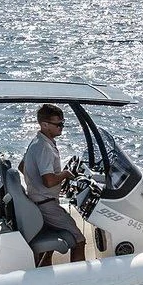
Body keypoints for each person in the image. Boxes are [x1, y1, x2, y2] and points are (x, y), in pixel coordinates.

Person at [21, 104, 87, 264]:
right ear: (44, 125)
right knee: (79, 240)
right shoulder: (44, 148)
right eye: (58, 124)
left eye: (62, 123)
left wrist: (36, 185)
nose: (61, 127)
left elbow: (22, 167)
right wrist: (64, 174)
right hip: (46, 205)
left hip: (38, 201)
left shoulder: (37, 142)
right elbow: (49, 181)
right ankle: (80, 281)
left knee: (51, 243)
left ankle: (44, 272)